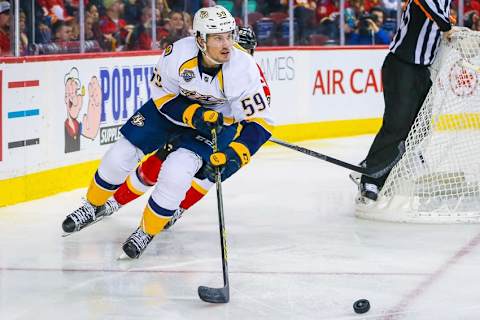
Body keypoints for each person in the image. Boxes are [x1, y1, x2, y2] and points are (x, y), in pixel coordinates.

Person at [61, 7, 274, 259]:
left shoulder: (243, 69)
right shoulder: (178, 54)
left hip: (217, 125)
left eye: (229, 35)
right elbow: (163, 97)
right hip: (171, 113)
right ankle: (93, 205)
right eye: (218, 38)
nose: (227, 44)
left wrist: (235, 154)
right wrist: (194, 114)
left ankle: (146, 230)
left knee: (176, 172)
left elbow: (260, 123)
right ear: (200, 40)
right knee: (119, 156)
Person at [358, 0, 455, 201]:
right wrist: (447, 27)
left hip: (421, 71)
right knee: (397, 124)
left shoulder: (446, 5)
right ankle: (371, 178)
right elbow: (429, 7)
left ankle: (391, 169)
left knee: (420, 127)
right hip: (401, 66)